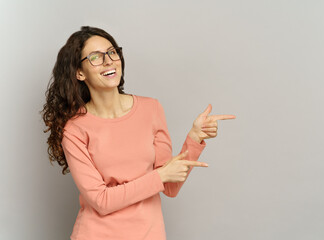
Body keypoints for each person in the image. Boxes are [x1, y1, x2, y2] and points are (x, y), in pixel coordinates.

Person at [41, 26, 236, 240]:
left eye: (112, 52)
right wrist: (159, 176)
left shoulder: (151, 109)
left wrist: (195, 138)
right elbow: (101, 201)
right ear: (79, 72)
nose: (108, 61)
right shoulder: (76, 129)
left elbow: (170, 186)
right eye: (95, 57)